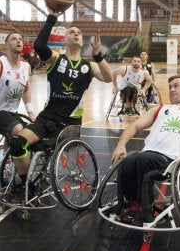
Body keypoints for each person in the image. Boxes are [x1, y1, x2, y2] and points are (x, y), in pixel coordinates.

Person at [6, 12, 113, 198]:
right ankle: (26, 185)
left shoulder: (89, 66)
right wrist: (51, 18)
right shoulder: (56, 59)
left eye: (79, 32)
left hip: (69, 125)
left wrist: (98, 55)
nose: (77, 34)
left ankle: (33, 174)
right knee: (17, 144)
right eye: (72, 31)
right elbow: (39, 45)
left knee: (38, 146)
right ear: (65, 39)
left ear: (83, 40)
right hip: (46, 118)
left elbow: (108, 77)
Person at [110, 74, 180, 225]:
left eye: (176, 86)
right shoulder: (160, 109)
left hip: (169, 160)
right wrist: (121, 144)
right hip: (148, 154)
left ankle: (145, 208)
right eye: (170, 87)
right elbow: (135, 125)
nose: (172, 89)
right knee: (127, 161)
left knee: (141, 159)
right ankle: (133, 203)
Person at [0, 32, 34, 145]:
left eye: (20, 39)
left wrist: (30, 112)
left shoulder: (26, 66)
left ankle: (8, 159)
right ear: (7, 45)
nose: (18, 41)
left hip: (11, 112)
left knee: (30, 132)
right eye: (14, 39)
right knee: (18, 129)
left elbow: (26, 89)